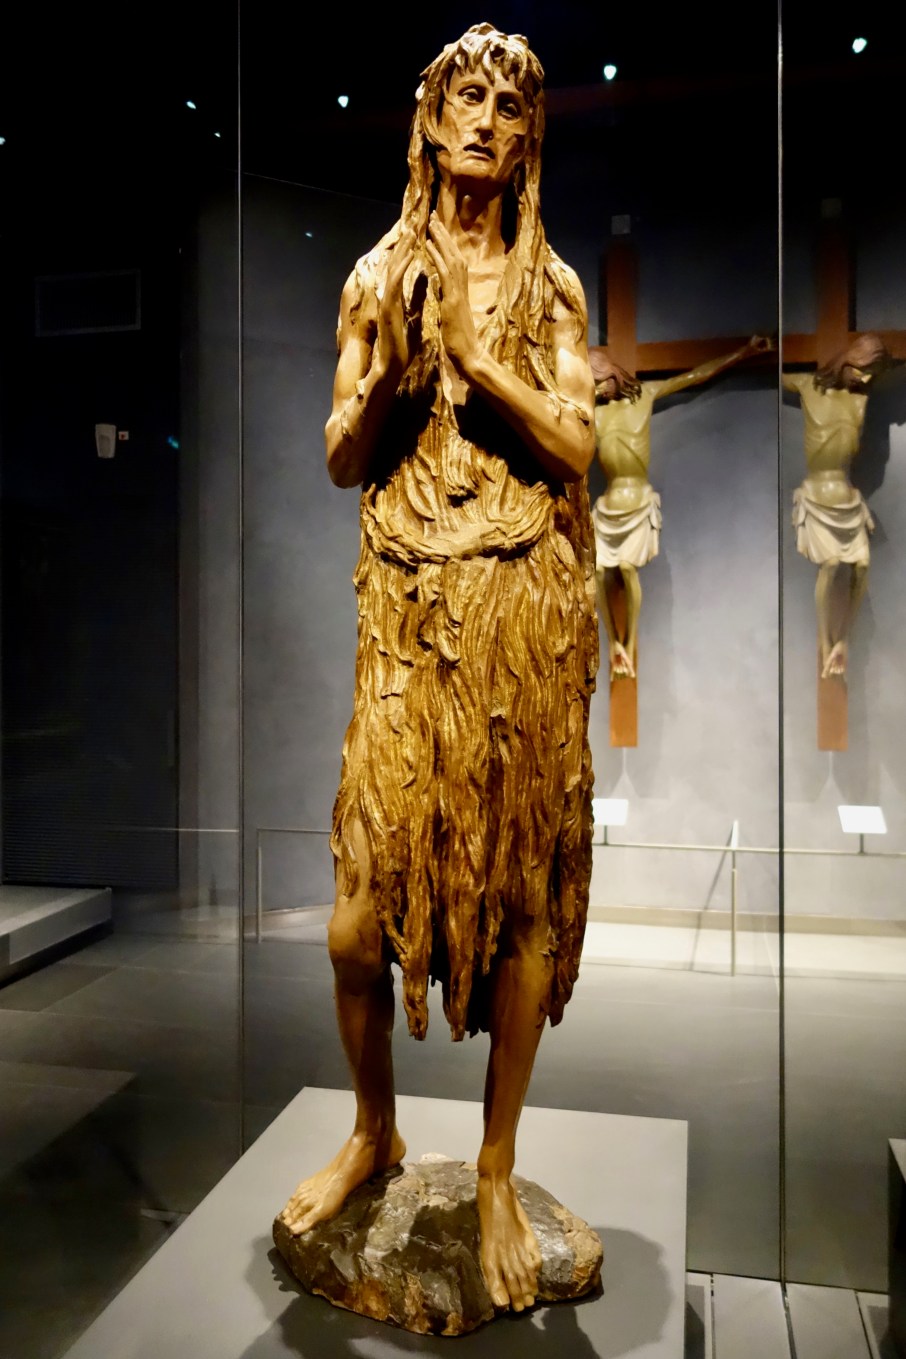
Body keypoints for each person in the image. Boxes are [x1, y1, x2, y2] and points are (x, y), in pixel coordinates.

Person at [277, 24, 598, 1314]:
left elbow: (577, 444)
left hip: (520, 613)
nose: (482, 119)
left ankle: (500, 1166)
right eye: (464, 96)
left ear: (527, 141)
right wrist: (392, 381)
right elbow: (338, 455)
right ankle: (376, 1129)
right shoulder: (377, 275)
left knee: (520, 905)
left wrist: (477, 363)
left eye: (507, 107)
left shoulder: (552, 289)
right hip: (410, 621)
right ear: (430, 119)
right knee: (356, 928)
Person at [590, 337, 772, 678]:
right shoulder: (593, 412)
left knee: (627, 569)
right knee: (599, 572)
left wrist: (743, 352)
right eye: (592, 387)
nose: (597, 392)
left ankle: (629, 643)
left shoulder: (644, 396)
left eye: (599, 383)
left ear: (611, 375)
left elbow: (695, 376)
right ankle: (614, 644)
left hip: (637, 500)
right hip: (609, 503)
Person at [784, 333, 891, 678]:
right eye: (862, 370)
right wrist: (749, 352)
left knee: (862, 564)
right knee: (830, 565)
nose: (865, 380)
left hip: (847, 497)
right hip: (817, 495)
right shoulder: (807, 387)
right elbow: (775, 373)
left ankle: (843, 640)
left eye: (872, 375)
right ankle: (825, 640)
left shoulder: (859, 400)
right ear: (848, 360)